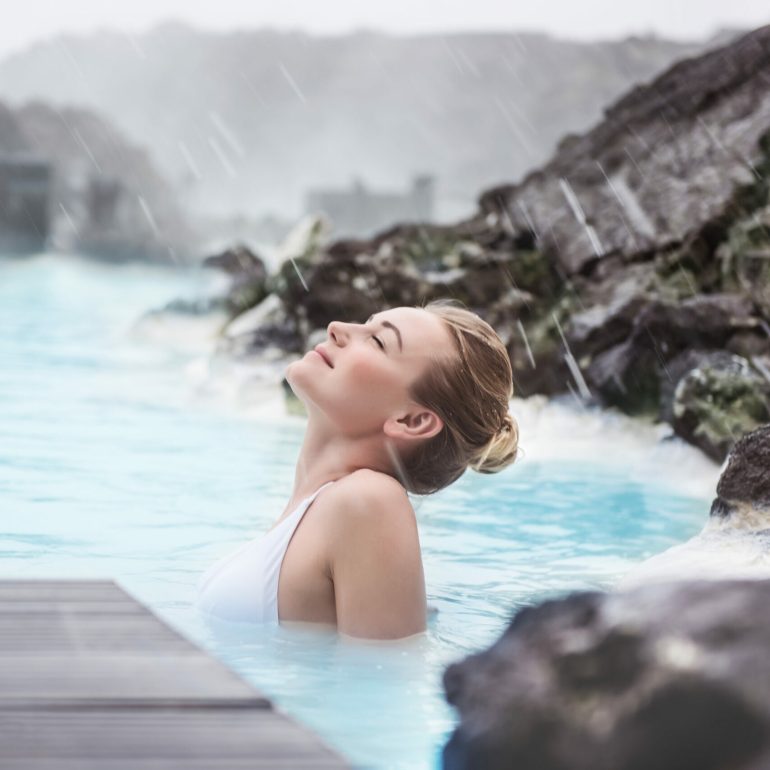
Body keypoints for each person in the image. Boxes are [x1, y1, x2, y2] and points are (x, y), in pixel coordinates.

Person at [196, 298, 520, 639]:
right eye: (366, 322)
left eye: (378, 341)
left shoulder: (370, 500)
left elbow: (381, 682)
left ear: (411, 420)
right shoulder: (323, 511)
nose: (337, 328)